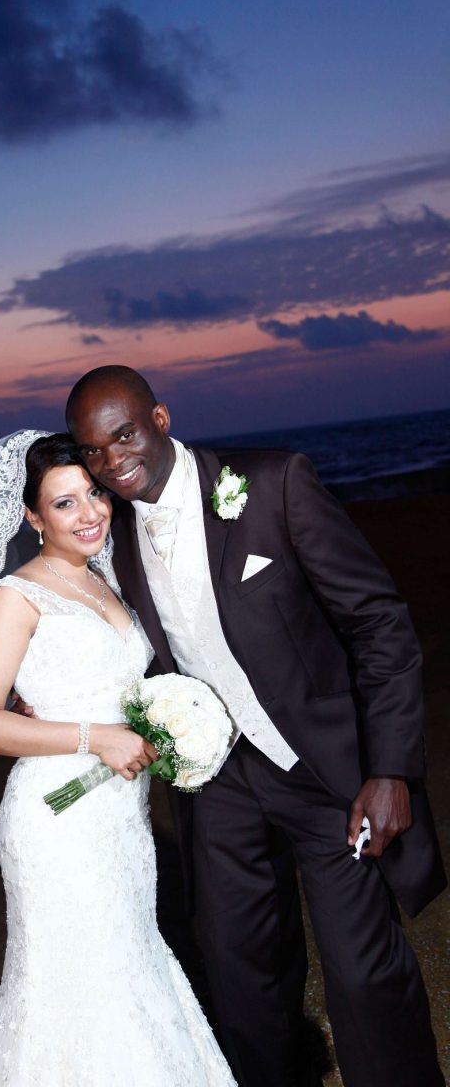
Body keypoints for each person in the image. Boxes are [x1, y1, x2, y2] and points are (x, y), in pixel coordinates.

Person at [64, 365, 446, 1087]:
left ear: (161, 419)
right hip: (218, 788)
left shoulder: (272, 484)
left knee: (364, 979)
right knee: (241, 980)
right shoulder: (107, 539)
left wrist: (391, 769)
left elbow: (379, 625)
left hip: (327, 776)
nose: (112, 462)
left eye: (123, 436)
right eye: (92, 452)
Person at [0, 433, 236, 1087]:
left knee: (129, 974)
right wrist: (94, 738)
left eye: (95, 493)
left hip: (120, 823)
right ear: (33, 518)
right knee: (77, 995)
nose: (91, 513)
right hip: (56, 822)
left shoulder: (105, 578)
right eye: (65, 504)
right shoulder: (17, 597)